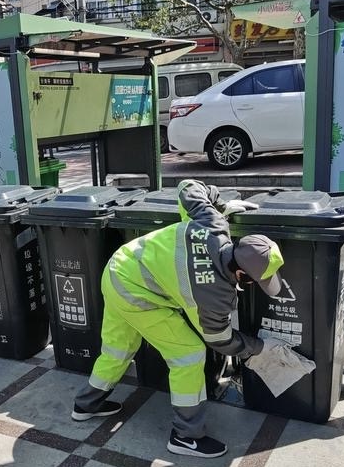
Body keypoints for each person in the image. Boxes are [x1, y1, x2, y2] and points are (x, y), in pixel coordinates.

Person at [71, 179, 285, 459]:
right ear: (242, 275)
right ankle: (186, 436)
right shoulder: (215, 295)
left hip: (118, 268)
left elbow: (188, 187)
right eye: (259, 280)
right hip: (136, 292)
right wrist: (258, 348)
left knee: (118, 347)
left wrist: (218, 206)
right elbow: (219, 339)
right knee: (189, 353)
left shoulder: (213, 225)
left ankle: (86, 405)